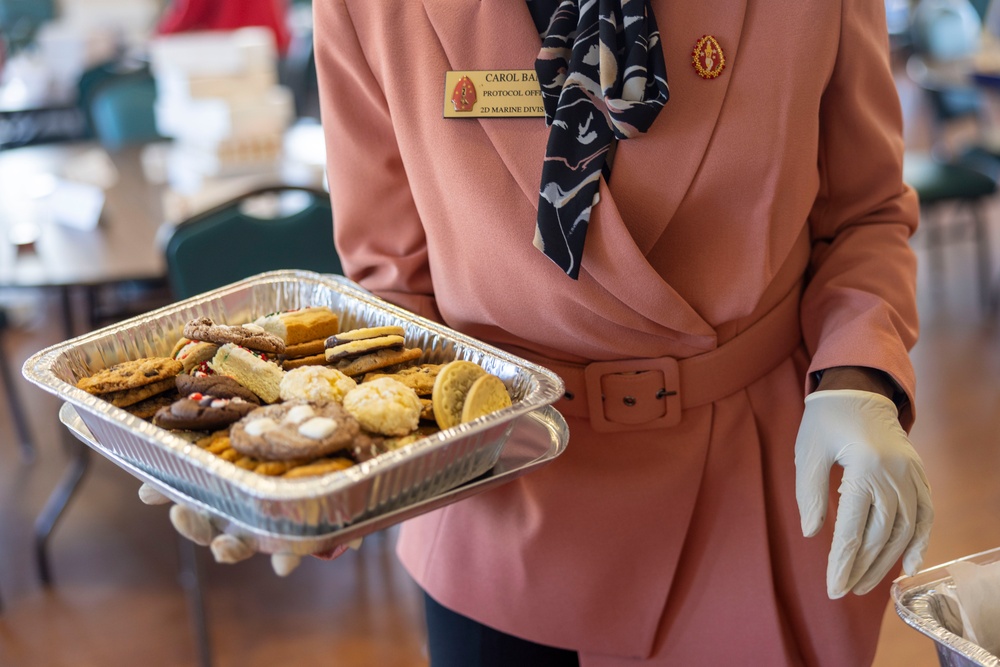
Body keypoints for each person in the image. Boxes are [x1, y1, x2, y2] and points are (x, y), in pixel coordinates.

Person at [149, 1, 933, 665]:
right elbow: (396, 284)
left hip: (757, 488)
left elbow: (862, 212)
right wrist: (333, 470)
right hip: (500, 507)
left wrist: (858, 375)